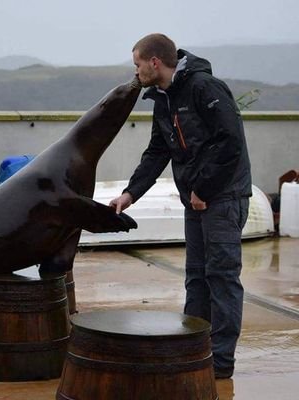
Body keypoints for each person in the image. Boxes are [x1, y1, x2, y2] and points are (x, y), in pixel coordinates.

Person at [109, 33, 252, 379]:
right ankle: (195, 351)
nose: (136, 72)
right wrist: (129, 194)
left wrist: (203, 188)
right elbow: (157, 152)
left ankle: (220, 364)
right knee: (197, 279)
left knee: (221, 278)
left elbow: (229, 142)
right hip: (197, 201)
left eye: (137, 64)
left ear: (154, 62)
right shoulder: (163, 99)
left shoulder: (205, 88)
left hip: (222, 198)